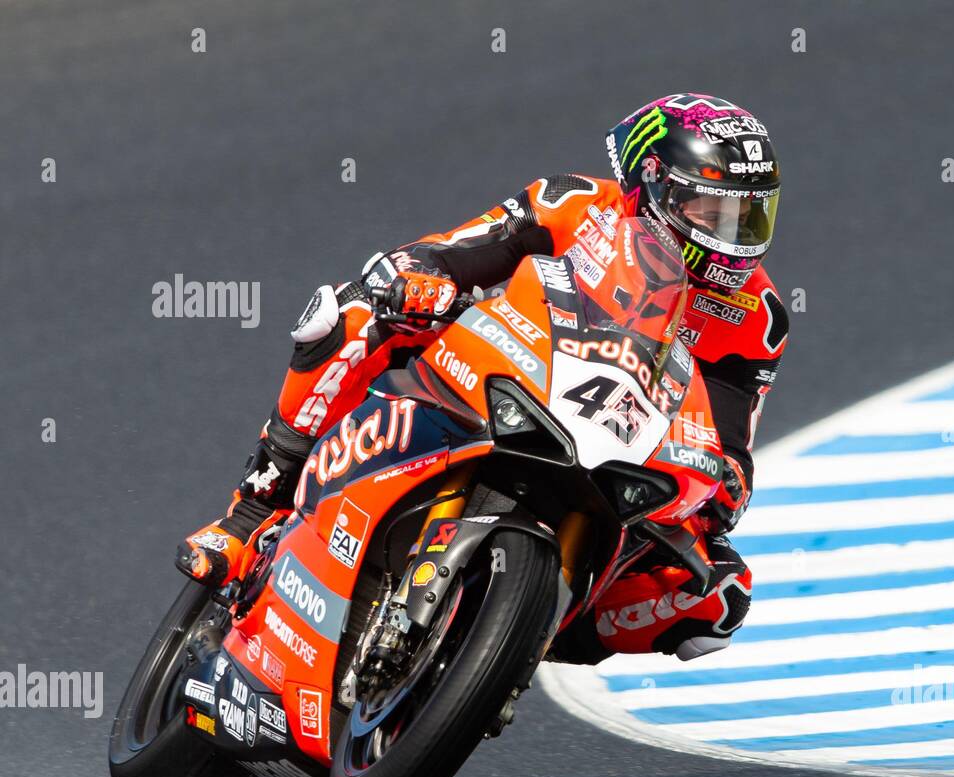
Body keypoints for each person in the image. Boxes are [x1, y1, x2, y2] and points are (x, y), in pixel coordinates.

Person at [178, 93, 787, 664]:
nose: (734, 238)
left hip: (622, 447)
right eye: (713, 211)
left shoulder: (757, 318)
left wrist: (725, 485)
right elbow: (452, 252)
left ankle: (513, 636)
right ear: (652, 180)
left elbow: (731, 437)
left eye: (750, 217)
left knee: (716, 591)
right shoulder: (571, 202)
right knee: (353, 311)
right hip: (506, 369)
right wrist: (420, 275)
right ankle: (253, 506)